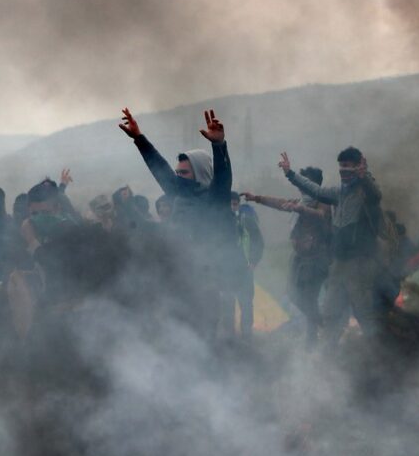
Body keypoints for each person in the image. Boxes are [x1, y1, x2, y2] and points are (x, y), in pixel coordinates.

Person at [119, 107, 237, 337]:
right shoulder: (178, 194)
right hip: (178, 284)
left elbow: (223, 177)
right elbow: (159, 168)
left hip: (206, 285)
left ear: (199, 173)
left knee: (203, 339)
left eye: (183, 173)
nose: (177, 176)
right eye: (178, 172)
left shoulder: (215, 199)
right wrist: (139, 138)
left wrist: (219, 145)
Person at [279, 148, 384, 344]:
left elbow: (375, 195)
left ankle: (376, 352)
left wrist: (364, 177)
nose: (343, 172)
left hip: (359, 263)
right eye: (341, 167)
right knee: (330, 311)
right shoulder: (338, 193)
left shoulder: (364, 192)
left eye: (348, 167)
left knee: (363, 312)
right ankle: (328, 355)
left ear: (357, 167)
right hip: (339, 262)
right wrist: (290, 174)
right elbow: (316, 191)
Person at [243, 166, 331, 345]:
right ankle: (320, 326)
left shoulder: (322, 202)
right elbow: (280, 203)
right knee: (294, 296)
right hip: (300, 258)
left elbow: (320, 215)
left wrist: (300, 209)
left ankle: (314, 336)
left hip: (317, 259)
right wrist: (257, 198)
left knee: (309, 298)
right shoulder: (302, 201)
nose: (301, 187)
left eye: (305, 183)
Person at [221, 192, 263, 340]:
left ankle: (246, 335)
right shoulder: (220, 222)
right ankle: (229, 337)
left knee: (246, 303)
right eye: (229, 204)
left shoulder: (247, 221)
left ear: (238, 205)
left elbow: (259, 242)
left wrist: (253, 262)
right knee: (227, 303)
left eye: (234, 204)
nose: (232, 207)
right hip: (226, 271)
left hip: (244, 270)